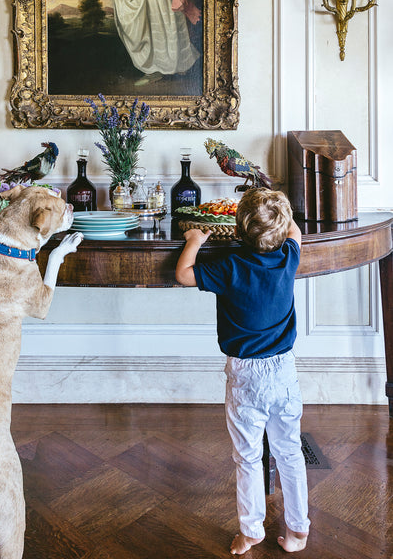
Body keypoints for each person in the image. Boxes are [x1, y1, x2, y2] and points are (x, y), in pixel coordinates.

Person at [175, 187, 310, 555]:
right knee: (290, 452)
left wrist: (195, 239)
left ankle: (252, 531)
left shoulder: (229, 266)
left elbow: (184, 273)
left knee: (248, 457)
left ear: (237, 229)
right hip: (284, 371)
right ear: (281, 232)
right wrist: (280, 216)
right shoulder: (288, 257)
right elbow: (296, 233)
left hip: (245, 376)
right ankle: (298, 531)